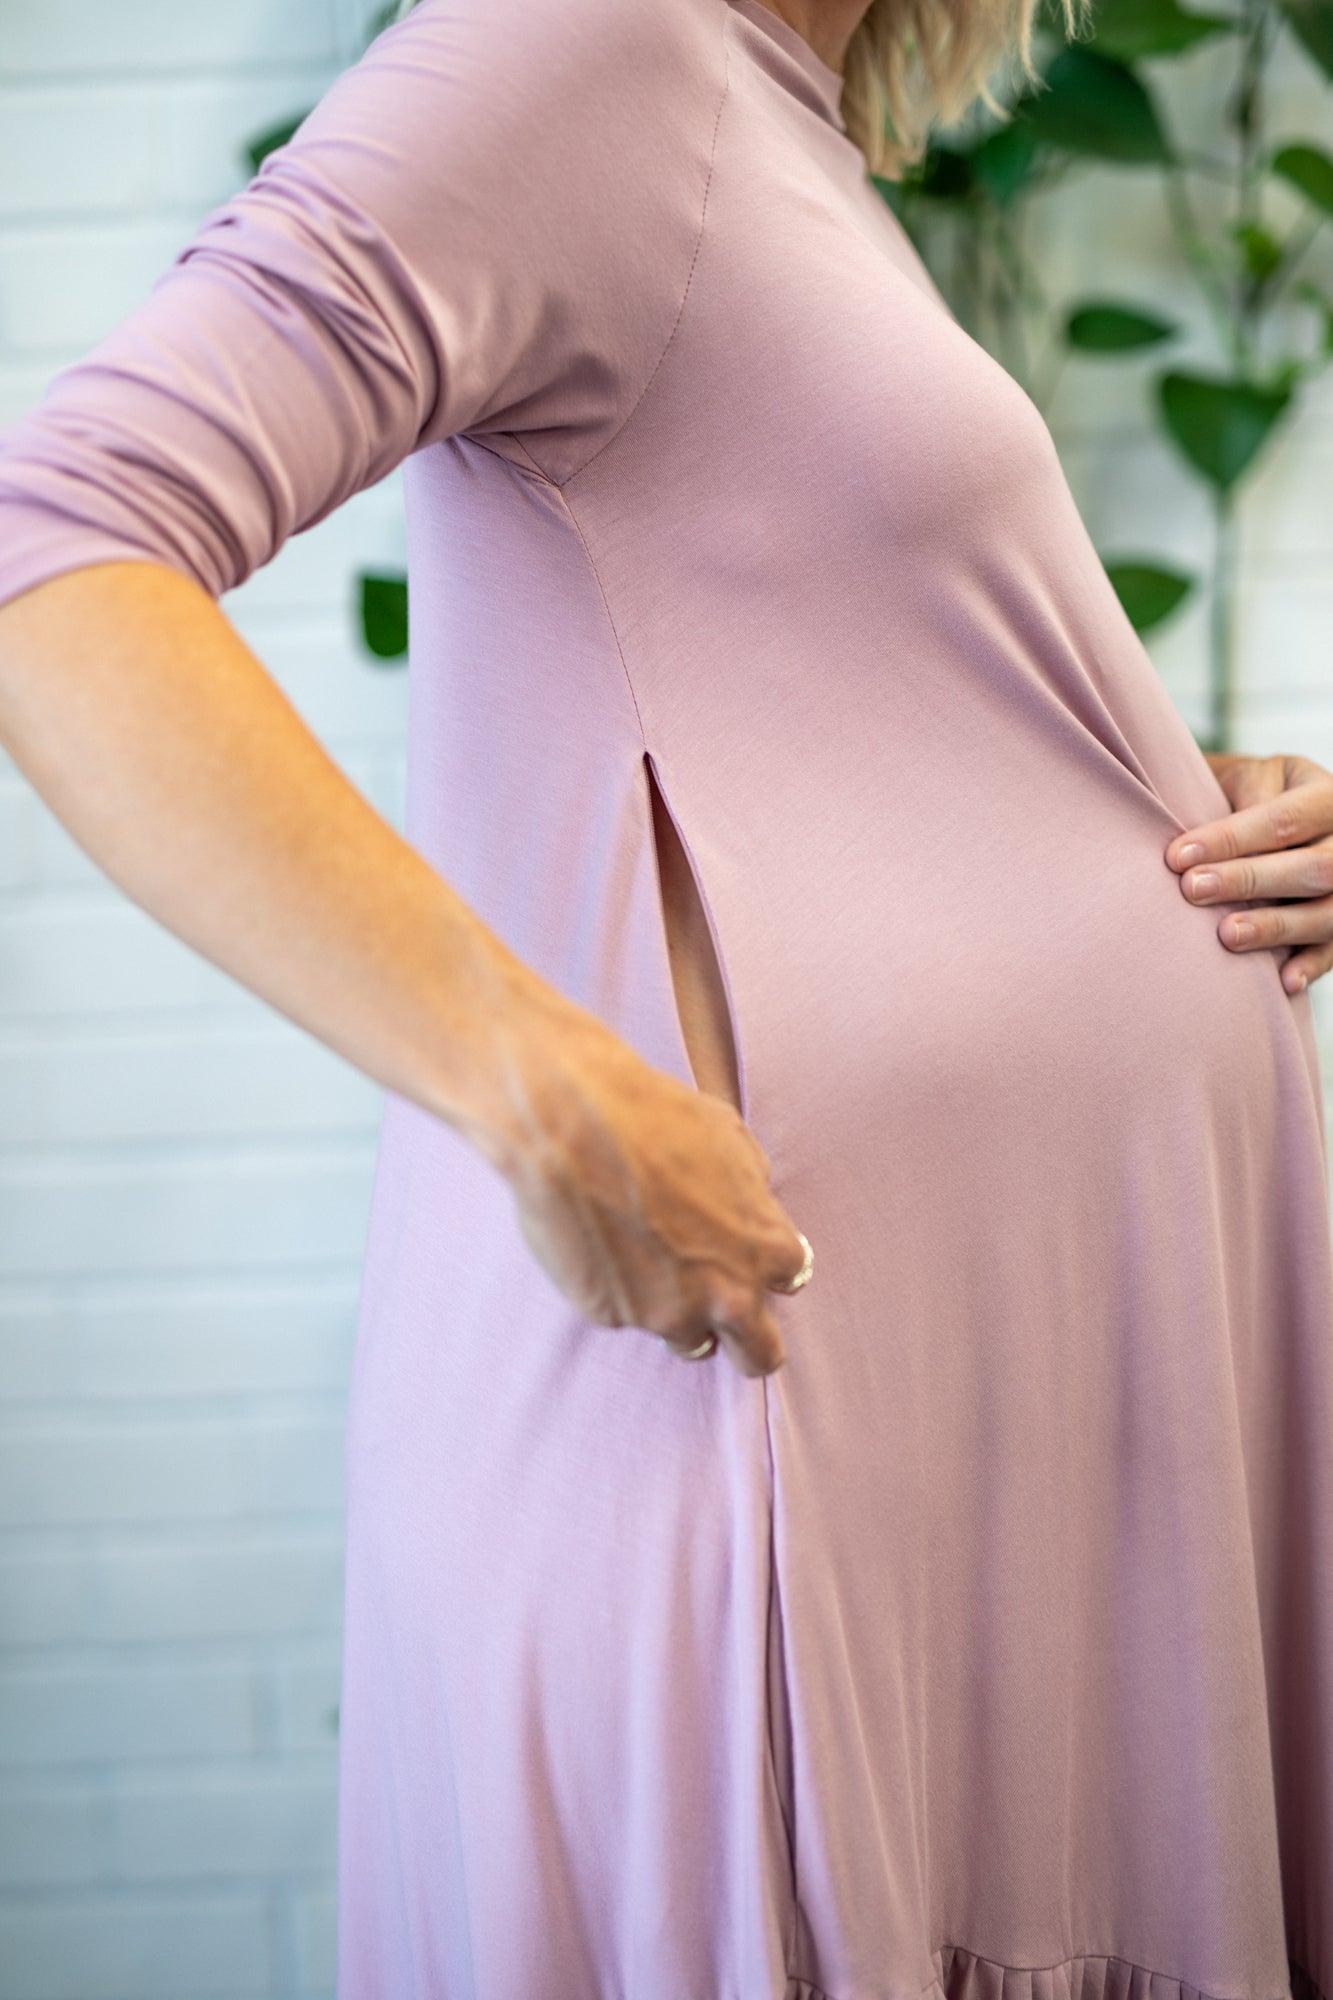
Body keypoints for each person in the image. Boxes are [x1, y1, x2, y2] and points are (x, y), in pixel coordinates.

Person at [0, 0, 1330, 1994]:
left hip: (1015, 1420)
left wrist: (1149, 784)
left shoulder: (767, 120)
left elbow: (754, 663)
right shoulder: (584, 43)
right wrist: (519, 1066)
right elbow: (61, 542)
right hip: (775, 1410)